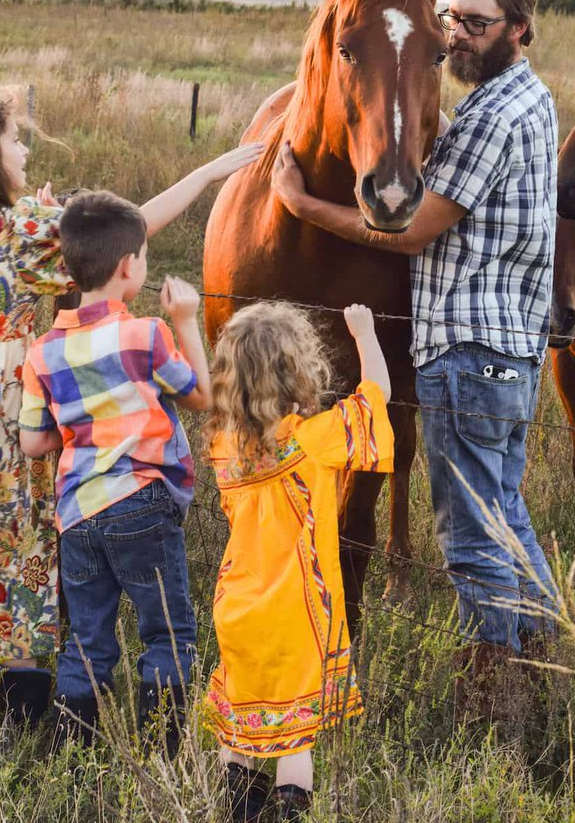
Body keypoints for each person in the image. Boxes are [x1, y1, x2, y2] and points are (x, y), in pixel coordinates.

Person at [0, 87, 261, 737]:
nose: (23, 149)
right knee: (24, 551)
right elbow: (129, 228)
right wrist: (209, 173)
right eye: (14, 141)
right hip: (4, 407)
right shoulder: (16, 230)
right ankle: (26, 713)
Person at [271, 0, 557, 684]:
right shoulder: (533, 98)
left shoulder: (490, 117)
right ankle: (546, 658)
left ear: (518, 29)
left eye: (477, 22)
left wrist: (304, 207)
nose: (459, 34)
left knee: (468, 536)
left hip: (470, 350)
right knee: (505, 515)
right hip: (510, 351)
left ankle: (494, 686)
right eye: (452, 18)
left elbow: (412, 228)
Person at [19, 190, 209, 753]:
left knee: (86, 640)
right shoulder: (146, 334)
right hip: (141, 503)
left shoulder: (41, 354)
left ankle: (71, 758)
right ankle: (162, 756)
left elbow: (33, 442)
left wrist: (82, 421)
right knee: (168, 635)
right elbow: (200, 395)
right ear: (129, 267)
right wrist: (188, 320)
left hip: (76, 514)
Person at [205, 301, 393, 822]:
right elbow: (378, 396)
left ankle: (239, 811)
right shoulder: (315, 439)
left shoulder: (224, 447)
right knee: (295, 741)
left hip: (238, 607)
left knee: (243, 725)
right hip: (299, 612)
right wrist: (364, 333)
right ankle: (289, 812)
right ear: (299, 371)